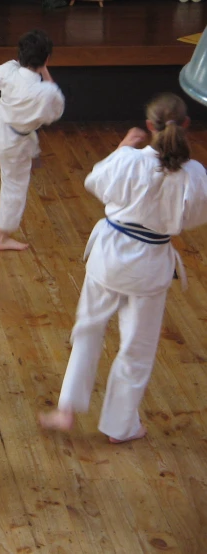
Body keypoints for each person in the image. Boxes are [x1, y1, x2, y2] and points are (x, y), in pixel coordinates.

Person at [39, 93, 207, 443]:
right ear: (186, 125)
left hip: (110, 256)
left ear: (149, 126)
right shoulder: (193, 173)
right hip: (150, 264)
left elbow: (94, 183)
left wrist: (120, 148)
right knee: (137, 346)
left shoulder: (130, 160)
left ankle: (67, 409)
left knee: (88, 329)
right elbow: (195, 217)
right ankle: (120, 426)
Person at [0, 29, 65, 251]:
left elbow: (4, 73)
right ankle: (2, 237)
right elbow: (56, 107)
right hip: (16, 141)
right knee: (14, 186)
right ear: (46, 60)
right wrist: (45, 70)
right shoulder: (46, 92)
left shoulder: (6, 70)